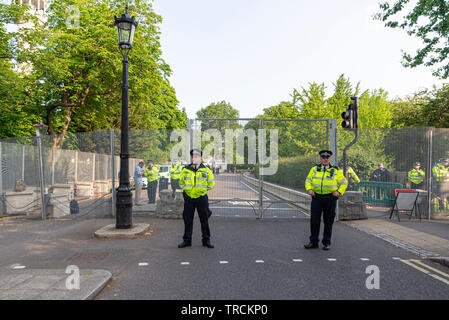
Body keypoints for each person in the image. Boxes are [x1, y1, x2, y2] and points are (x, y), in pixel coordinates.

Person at [304, 150, 348, 251]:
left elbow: (344, 183)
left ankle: (326, 242)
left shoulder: (336, 170)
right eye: (323, 157)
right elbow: (308, 180)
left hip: (330, 198)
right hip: (317, 197)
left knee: (328, 221)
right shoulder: (314, 169)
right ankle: (313, 242)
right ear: (320, 158)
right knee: (314, 220)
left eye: (327, 157)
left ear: (329, 159)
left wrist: (339, 192)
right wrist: (309, 189)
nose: (325, 159)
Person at [178, 149, 215, 249]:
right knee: (187, 220)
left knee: (204, 220)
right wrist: (187, 191)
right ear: (191, 158)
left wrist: (201, 191)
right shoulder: (185, 169)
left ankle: (206, 240)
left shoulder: (206, 169)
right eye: (193, 156)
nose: (194, 158)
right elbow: (181, 182)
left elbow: (211, 184)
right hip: (189, 198)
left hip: (201, 198)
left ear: (200, 158)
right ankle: (187, 240)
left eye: (197, 156)